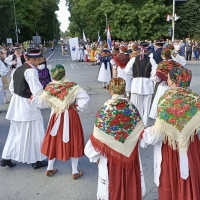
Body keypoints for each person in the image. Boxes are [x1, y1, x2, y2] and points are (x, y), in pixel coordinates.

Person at [141, 67, 200, 200]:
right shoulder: (195, 98)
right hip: (191, 145)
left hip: (171, 148)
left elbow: (159, 132)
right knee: (191, 177)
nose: (166, 80)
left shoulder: (166, 99)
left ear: (174, 81)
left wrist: (143, 135)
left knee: (172, 181)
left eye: (168, 78)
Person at [85, 77, 146, 200]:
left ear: (110, 90)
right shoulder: (132, 108)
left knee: (110, 186)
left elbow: (97, 137)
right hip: (130, 155)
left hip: (109, 157)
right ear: (124, 89)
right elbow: (141, 134)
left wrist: (94, 156)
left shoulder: (104, 109)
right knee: (130, 185)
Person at [30, 64, 90, 178]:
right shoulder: (72, 85)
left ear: (52, 75)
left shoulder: (50, 86)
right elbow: (85, 98)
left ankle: (49, 168)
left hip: (56, 115)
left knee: (53, 140)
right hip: (71, 114)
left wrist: (33, 100)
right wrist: (78, 107)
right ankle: (74, 171)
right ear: (64, 74)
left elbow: (42, 103)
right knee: (74, 140)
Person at [0, 48, 47, 169]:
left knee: (15, 133)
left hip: (16, 104)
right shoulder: (31, 71)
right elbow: (37, 91)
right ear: (31, 59)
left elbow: (12, 88)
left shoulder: (17, 69)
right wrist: (43, 101)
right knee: (35, 132)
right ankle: (36, 160)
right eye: (37, 60)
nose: (39, 62)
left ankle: (6, 158)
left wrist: (20, 96)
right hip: (27, 106)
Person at [125, 42, 157, 127]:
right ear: (147, 50)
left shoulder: (133, 59)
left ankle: (136, 125)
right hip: (147, 85)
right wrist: (149, 77)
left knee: (136, 106)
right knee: (146, 107)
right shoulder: (151, 60)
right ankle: (145, 125)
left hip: (136, 85)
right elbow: (155, 72)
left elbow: (127, 70)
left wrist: (135, 76)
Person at [149, 48, 183, 120]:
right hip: (174, 86)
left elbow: (156, 77)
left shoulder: (161, 64)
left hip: (163, 86)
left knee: (162, 104)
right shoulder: (176, 63)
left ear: (162, 55)